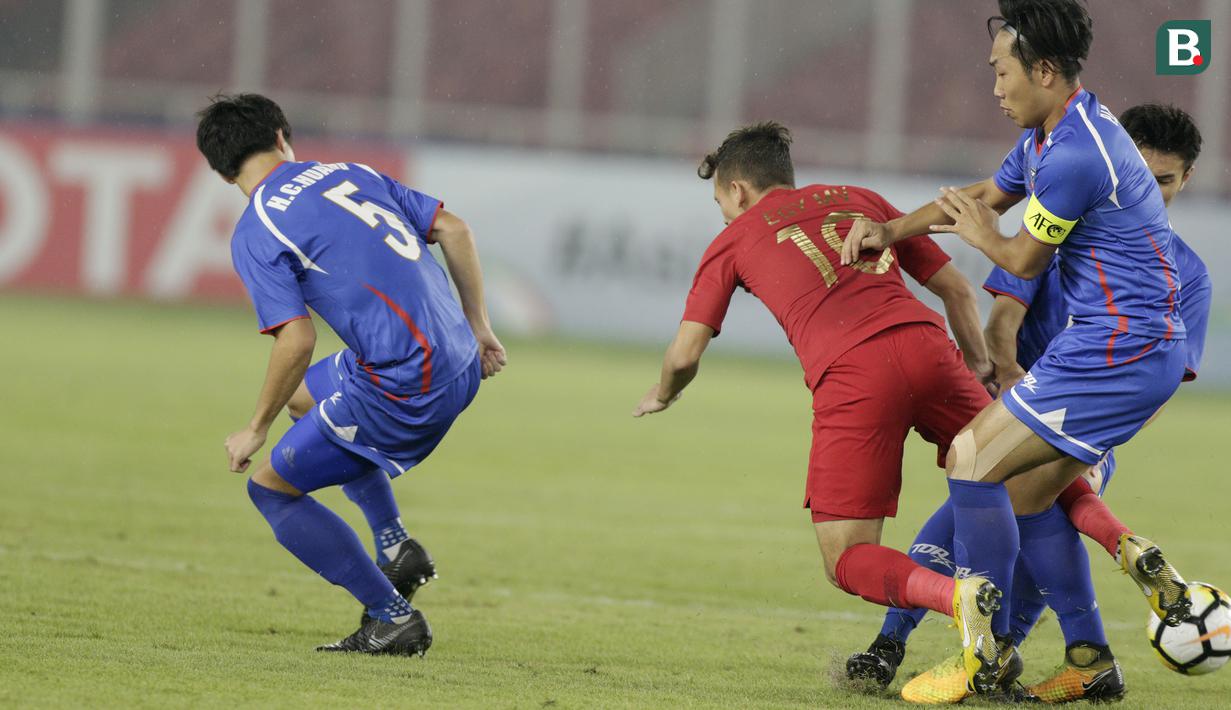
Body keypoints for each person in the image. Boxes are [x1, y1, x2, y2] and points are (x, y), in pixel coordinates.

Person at [841, 0, 1190, 694]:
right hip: (1114, 349)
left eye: (1002, 73)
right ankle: (1090, 663)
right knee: (1028, 495)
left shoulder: (1076, 154)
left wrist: (977, 237)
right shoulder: (1050, 138)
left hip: (1115, 351)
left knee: (971, 457)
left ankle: (988, 652)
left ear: (1044, 70)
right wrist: (891, 229)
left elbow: (1020, 260)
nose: (995, 88)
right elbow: (980, 196)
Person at [632, 121, 1008, 679]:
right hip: (930, 347)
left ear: (737, 190)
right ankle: (1106, 577)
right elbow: (955, 288)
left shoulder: (733, 239)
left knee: (846, 558)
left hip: (855, 376)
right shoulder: (860, 199)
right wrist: (980, 368)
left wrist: (663, 394)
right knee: (1019, 471)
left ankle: (957, 598)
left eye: (722, 204)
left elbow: (685, 355)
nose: (726, 216)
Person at [196, 93, 507, 655]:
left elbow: (297, 339)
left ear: (221, 172)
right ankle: (394, 546)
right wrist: (479, 327)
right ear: (282, 136)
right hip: (460, 358)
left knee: (271, 491)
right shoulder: (349, 172)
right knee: (302, 399)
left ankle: (392, 616)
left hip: (403, 385)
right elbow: (456, 230)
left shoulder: (256, 230)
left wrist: (254, 427)